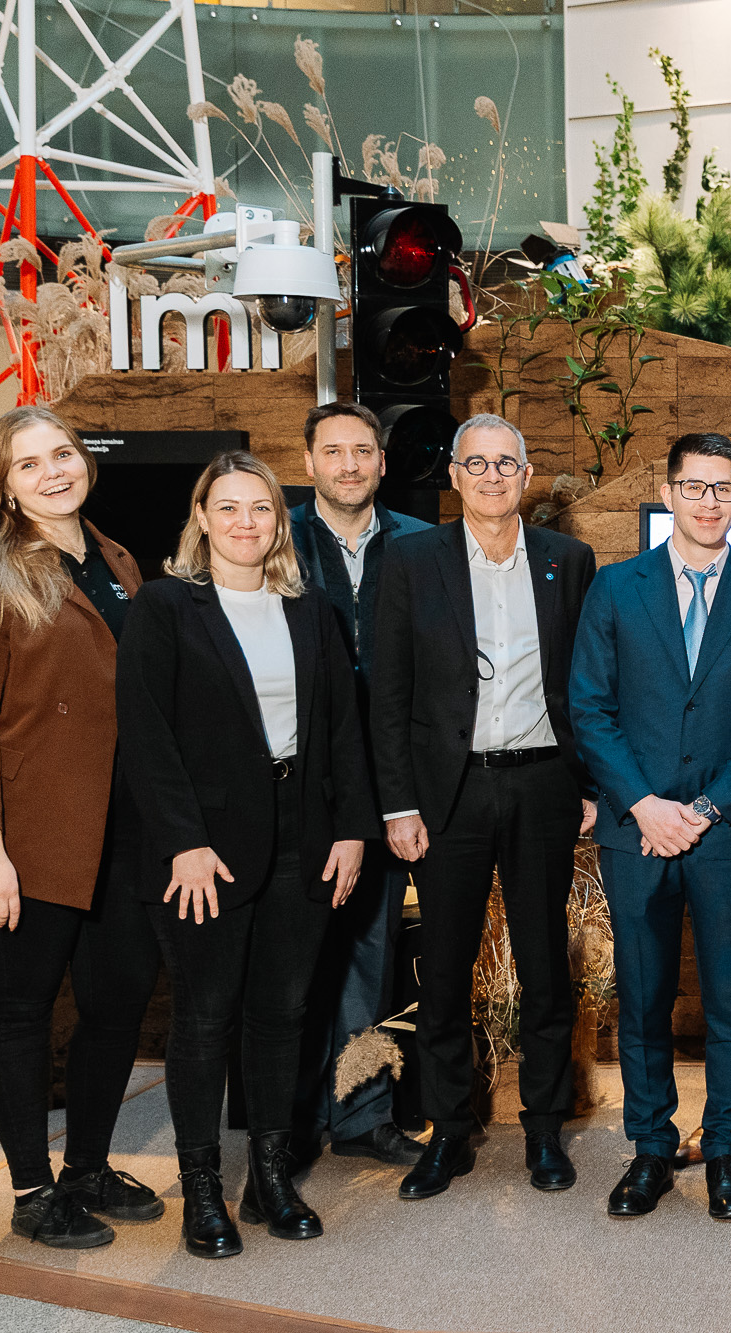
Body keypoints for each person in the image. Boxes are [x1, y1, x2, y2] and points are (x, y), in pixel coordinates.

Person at [116, 451, 379, 1259]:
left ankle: (270, 1176)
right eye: (227, 507)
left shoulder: (309, 610)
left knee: (282, 1013)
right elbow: (146, 735)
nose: (245, 522)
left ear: (279, 522)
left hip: (305, 832)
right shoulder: (164, 606)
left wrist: (352, 827)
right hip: (205, 845)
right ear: (201, 517)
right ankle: (202, 1190)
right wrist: (183, 843)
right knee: (204, 1016)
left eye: (260, 508)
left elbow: (343, 727)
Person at [0, 405, 163, 1250]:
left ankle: (87, 1166)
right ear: (6, 486)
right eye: (29, 464)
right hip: (25, 832)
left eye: (62, 453)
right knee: (19, 1010)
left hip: (122, 825)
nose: (53, 472)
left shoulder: (116, 557)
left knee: (116, 1003)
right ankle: (31, 1189)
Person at [570, 432, 731, 1222]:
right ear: (669, 492)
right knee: (643, 997)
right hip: (636, 830)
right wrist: (643, 803)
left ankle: (727, 1151)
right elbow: (589, 707)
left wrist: (704, 809)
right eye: (695, 486)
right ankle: (649, 1148)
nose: (710, 501)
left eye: (724, 488)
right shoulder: (615, 587)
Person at [370, 414, 598, 1202]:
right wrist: (398, 804)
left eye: (506, 463)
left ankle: (544, 1125)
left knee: (543, 963)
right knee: (444, 968)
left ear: (526, 476)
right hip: (449, 790)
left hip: (543, 784)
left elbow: (589, 684)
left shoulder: (568, 561)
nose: (492, 476)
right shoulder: (411, 561)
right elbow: (389, 693)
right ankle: (449, 1129)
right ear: (454, 476)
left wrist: (591, 785)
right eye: (477, 463)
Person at [287, 401, 433, 1171]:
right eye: (333, 451)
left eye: (362, 451)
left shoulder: (422, 543)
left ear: (382, 461)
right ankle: (288, 1119)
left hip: (388, 781)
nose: (349, 464)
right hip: (297, 783)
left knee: (373, 956)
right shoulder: (271, 537)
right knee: (296, 961)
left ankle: (361, 1112)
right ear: (308, 461)